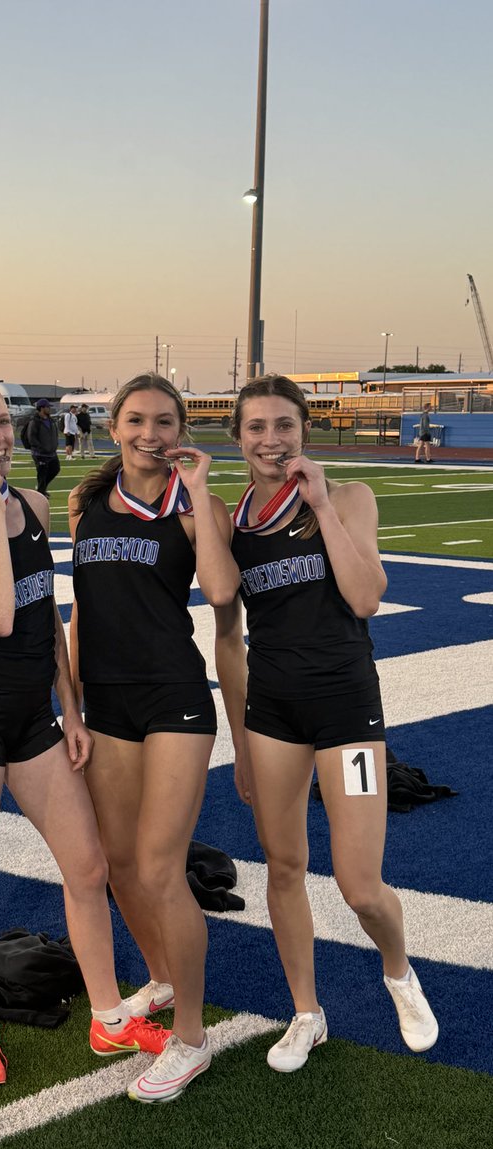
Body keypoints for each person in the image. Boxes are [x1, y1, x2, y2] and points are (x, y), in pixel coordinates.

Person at [0, 379, 169, 1088]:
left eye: (2, 421)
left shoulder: (31, 503)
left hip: (34, 719)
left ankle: (109, 1017)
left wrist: (72, 708)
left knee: (88, 869)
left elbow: (41, 615)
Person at [227, 373, 438, 1073]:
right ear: (237, 437)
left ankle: (399, 972)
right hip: (273, 715)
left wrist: (317, 502)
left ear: (304, 430)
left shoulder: (347, 497)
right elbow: (226, 626)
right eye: (256, 427)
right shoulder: (233, 523)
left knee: (359, 883)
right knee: (284, 866)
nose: (270, 440)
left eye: (283, 425)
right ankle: (307, 1012)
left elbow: (367, 595)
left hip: (346, 709)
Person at [68, 371, 244, 1104]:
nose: (150, 434)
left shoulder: (194, 507)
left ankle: (193, 1039)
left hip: (174, 698)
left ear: (182, 431)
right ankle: (165, 977)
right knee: (118, 863)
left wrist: (201, 498)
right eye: (136, 420)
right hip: (104, 705)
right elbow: (81, 611)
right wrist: (71, 707)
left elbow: (224, 593)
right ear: (113, 428)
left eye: (165, 422)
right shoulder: (84, 504)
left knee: (162, 867)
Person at [27, 399, 60, 495]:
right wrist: (40, 448)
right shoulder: (35, 422)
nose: (49, 409)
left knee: (55, 469)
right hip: (40, 453)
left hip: (51, 452)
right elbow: (31, 437)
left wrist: (54, 445)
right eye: (47, 407)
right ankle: (41, 493)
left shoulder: (51, 420)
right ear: (42, 408)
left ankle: (42, 488)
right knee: (42, 473)